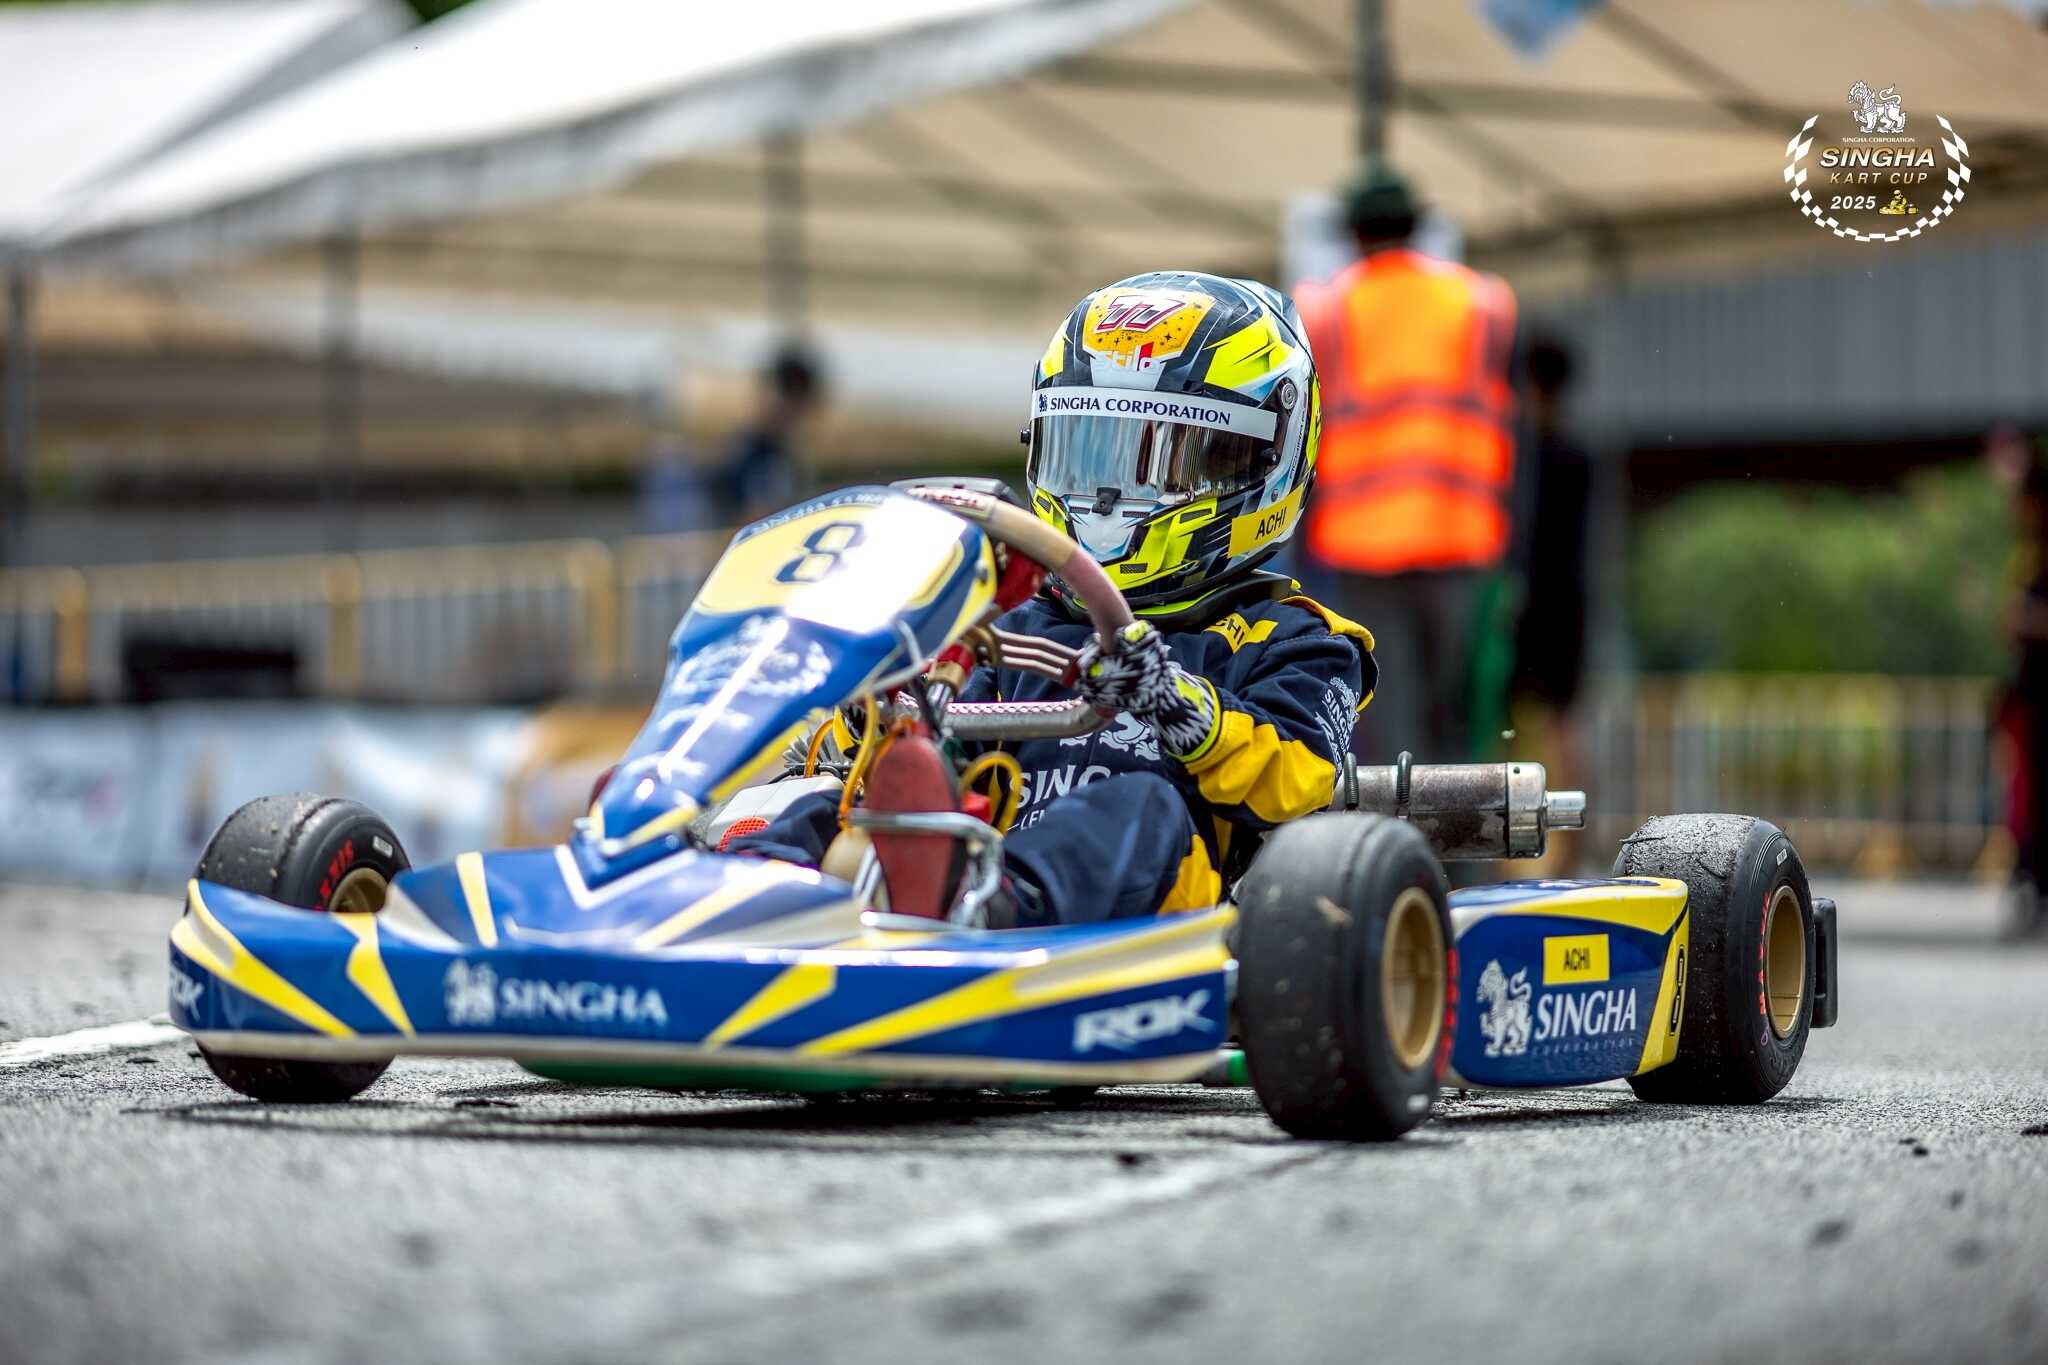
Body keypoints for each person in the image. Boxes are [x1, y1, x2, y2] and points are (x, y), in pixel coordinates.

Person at [732, 271, 1376, 927]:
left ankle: (996, 910)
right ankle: (731, 901)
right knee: (827, 803)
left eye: (1165, 461)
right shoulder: (1009, 626)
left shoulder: (1298, 640)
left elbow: (1298, 779)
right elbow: (916, 751)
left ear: (1265, 462)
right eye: (1090, 453)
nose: (1110, 497)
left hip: (1153, 926)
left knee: (1139, 804)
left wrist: (1174, 701)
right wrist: (879, 703)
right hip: (966, 871)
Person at [1293, 162, 1517, 763]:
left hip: (1361, 543)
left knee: (1389, 709)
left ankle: (1401, 820)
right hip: (1462, 538)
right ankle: (1463, 820)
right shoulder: (1482, 303)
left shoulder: (1325, 311)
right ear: (1418, 227)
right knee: (1458, 708)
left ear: (1353, 233)